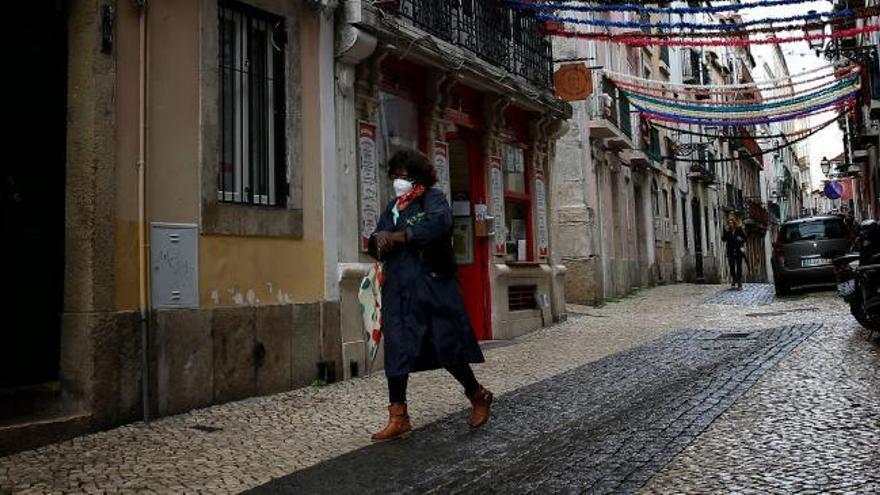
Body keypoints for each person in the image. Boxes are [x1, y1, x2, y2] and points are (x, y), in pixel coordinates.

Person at [367, 149, 491, 441]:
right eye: (396, 174)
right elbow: (377, 238)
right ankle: (398, 415)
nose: (400, 179)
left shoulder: (432, 199)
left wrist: (397, 237)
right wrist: (377, 242)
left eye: (405, 174)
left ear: (418, 176)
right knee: (397, 346)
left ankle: (477, 394)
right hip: (398, 288)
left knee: (444, 345)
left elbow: (438, 225)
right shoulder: (394, 208)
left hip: (432, 286)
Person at [722, 218, 747, 290]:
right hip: (730, 251)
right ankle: (734, 278)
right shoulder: (728, 231)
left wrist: (741, 240)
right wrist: (725, 231)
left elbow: (745, 238)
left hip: (738, 251)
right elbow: (723, 239)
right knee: (732, 266)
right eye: (729, 223)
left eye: (731, 223)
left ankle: (739, 281)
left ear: (734, 223)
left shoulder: (739, 230)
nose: (730, 224)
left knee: (739, 267)